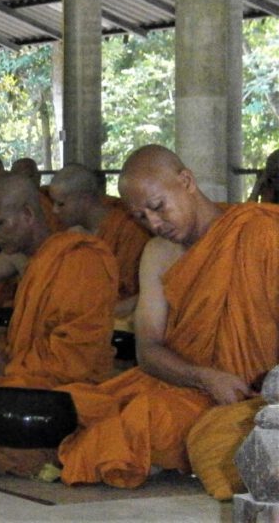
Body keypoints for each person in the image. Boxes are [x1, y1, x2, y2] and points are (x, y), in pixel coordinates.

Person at [56, 145, 279, 491]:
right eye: (141, 217)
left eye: (158, 207)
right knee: (78, 408)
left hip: (255, 396)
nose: (154, 223)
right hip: (190, 388)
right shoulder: (157, 254)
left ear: (186, 181)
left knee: (185, 434)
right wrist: (204, 377)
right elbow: (148, 349)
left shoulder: (261, 234)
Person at [0, 173, 118, 412]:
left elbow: (75, 362)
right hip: (27, 373)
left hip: (65, 386)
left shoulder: (79, 260)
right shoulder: (25, 256)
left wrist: (7, 367)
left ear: (28, 215)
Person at [48, 164, 150, 324]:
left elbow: (138, 294)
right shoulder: (64, 229)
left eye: (60, 204)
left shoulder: (129, 230)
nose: (54, 210)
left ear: (85, 199)